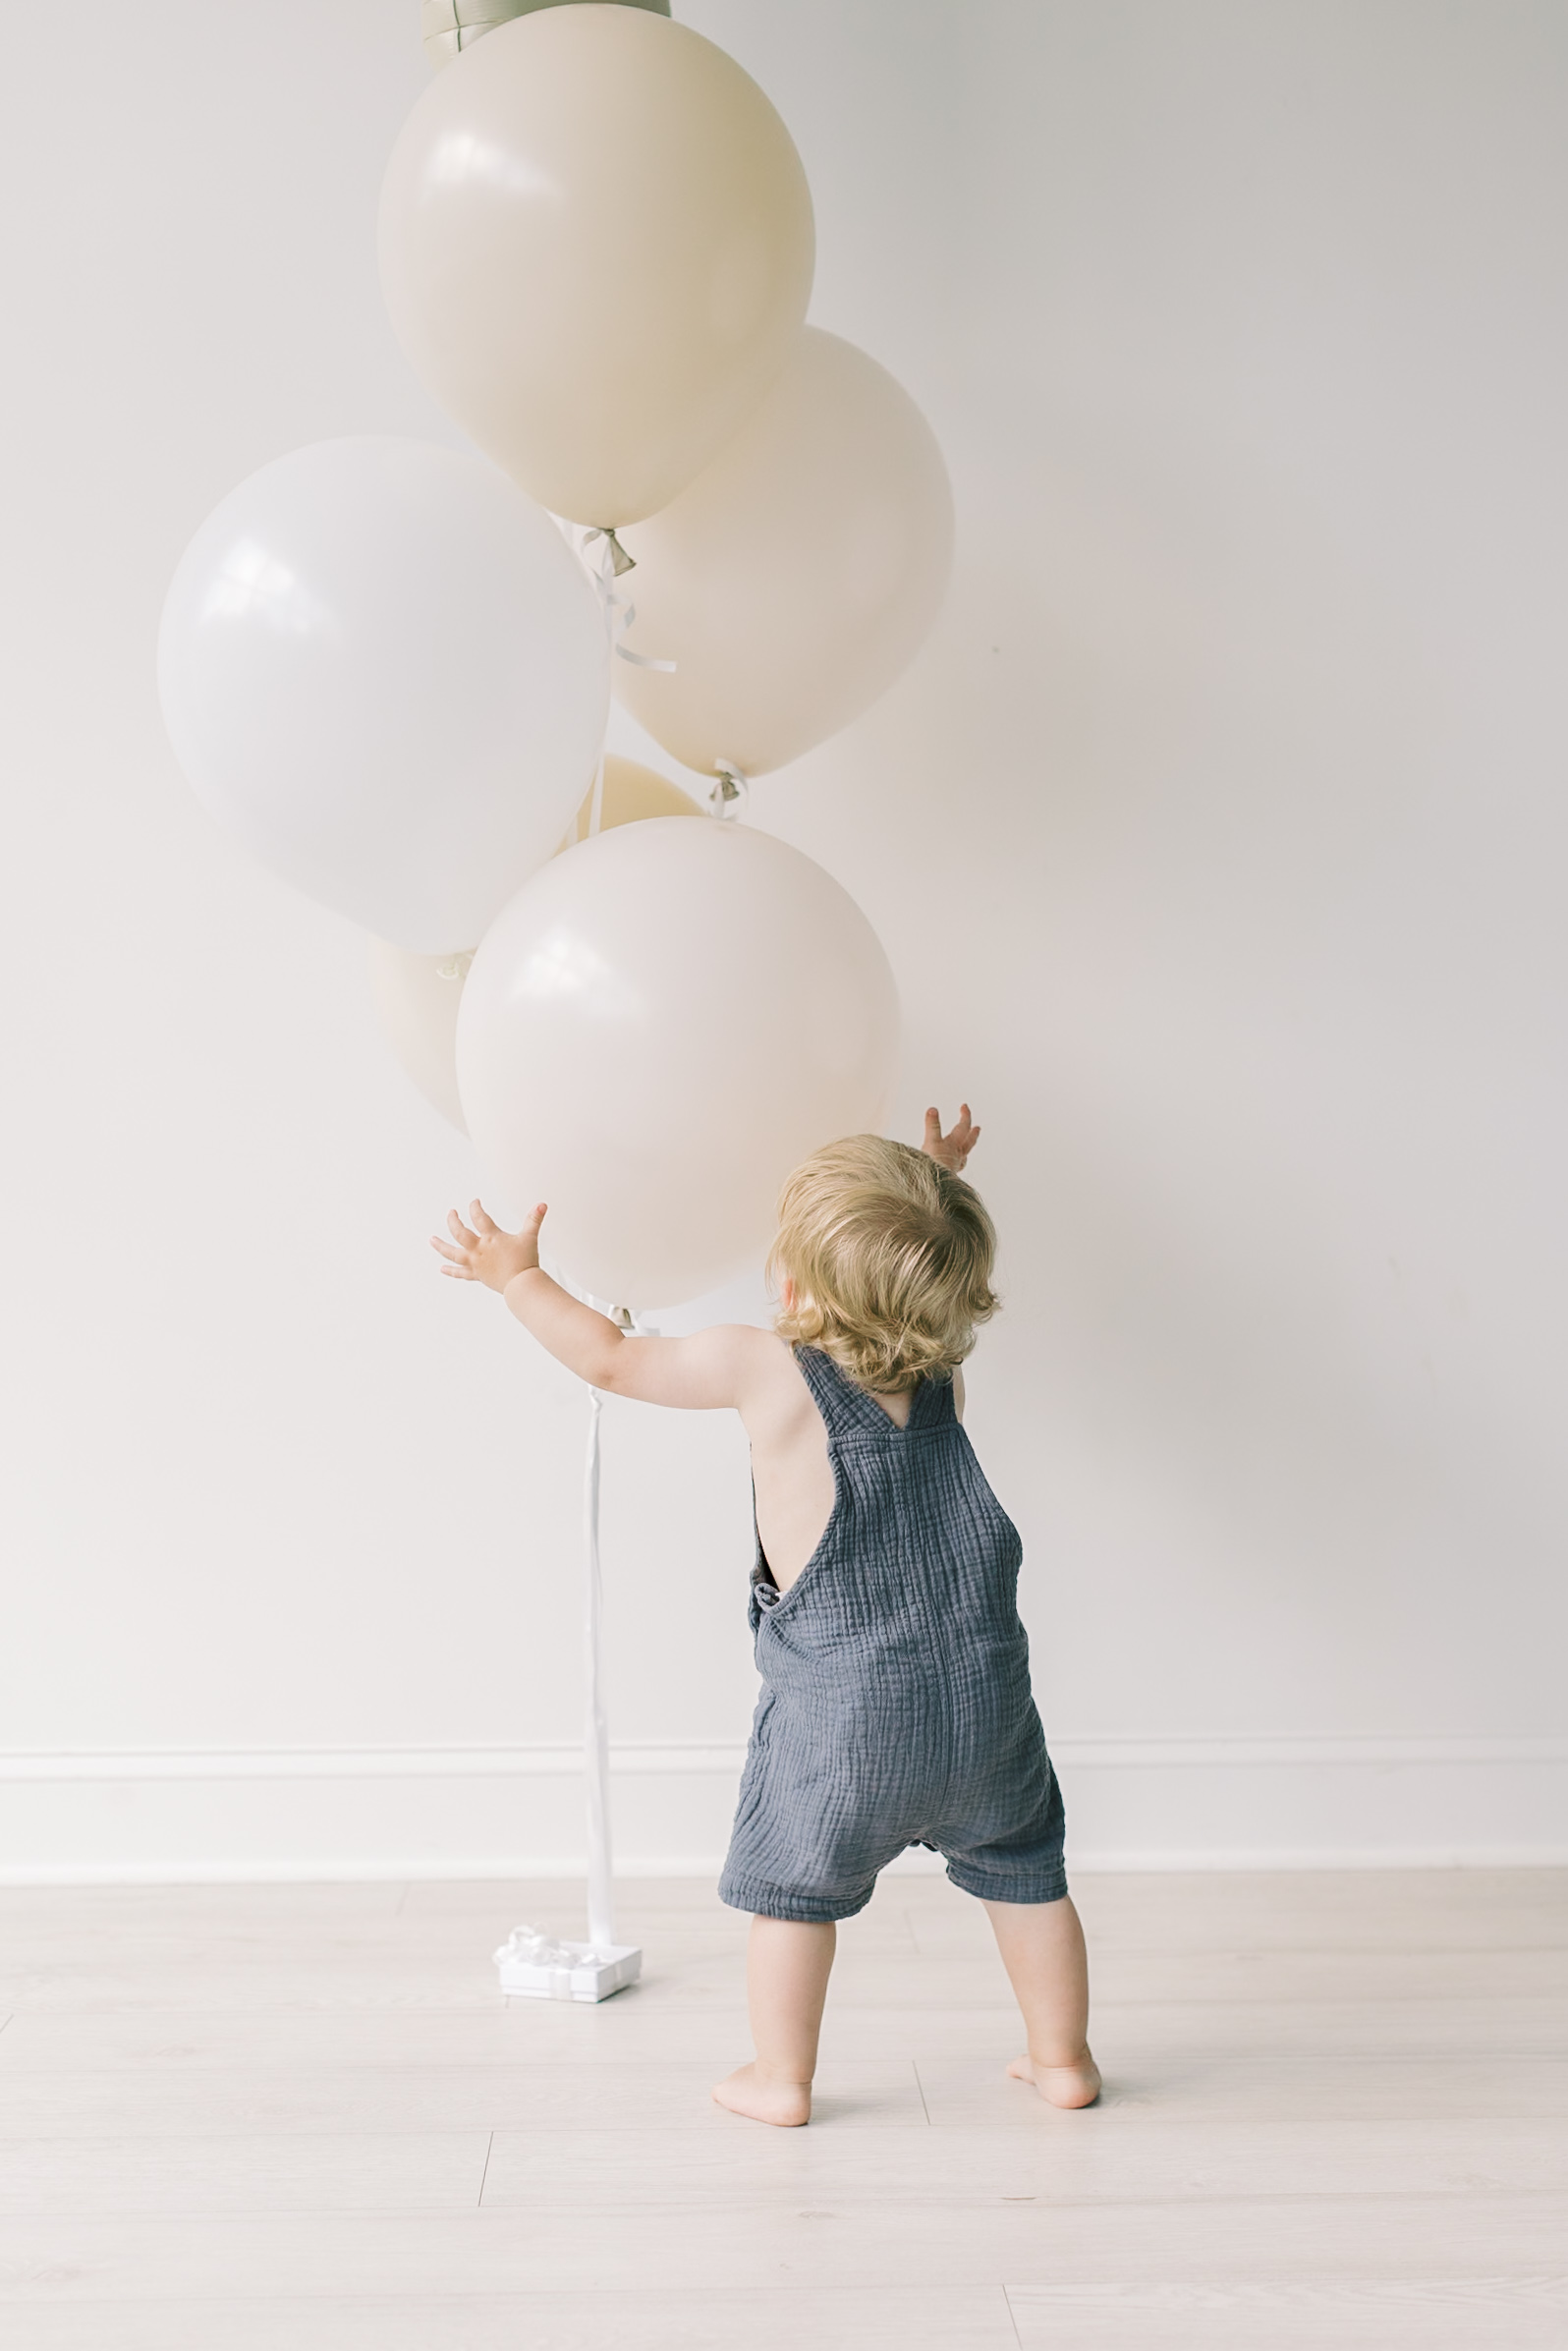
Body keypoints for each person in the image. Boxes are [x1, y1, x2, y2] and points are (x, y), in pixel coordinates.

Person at [432, 1106, 1099, 2128]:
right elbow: (899, 1276)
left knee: (792, 1893)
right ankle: (1062, 2059)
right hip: (984, 1704)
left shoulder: (764, 1368)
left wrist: (516, 1275)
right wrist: (935, 1178)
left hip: (845, 1720)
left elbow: (612, 1357)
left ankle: (780, 2077)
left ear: (790, 1287)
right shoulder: (939, 1372)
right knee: (1026, 1873)